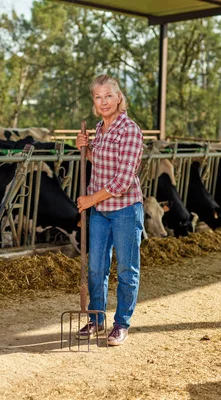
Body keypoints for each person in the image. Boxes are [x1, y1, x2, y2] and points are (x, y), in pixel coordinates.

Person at [75, 74, 144, 346]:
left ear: (119, 97)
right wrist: (87, 148)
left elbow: (123, 180)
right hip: (101, 211)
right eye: (98, 97)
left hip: (125, 209)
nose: (103, 102)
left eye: (108, 96)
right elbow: (102, 162)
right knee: (96, 268)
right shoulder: (100, 128)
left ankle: (121, 324)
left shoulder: (130, 130)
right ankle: (95, 318)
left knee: (127, 268)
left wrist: (90, 199)